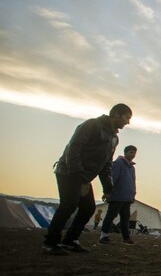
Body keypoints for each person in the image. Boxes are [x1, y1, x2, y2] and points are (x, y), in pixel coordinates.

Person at [42, 104, 132, 255]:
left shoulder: (113, 138)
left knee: (88, 208)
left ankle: (70, 241)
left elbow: (106, 164)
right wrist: (80, 179)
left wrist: (108, 188)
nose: (128, 122)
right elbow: (74, 148)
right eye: (127, 117)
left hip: (84, 177)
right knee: (69, 204)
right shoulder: (92, 125)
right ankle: (50, 242)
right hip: (68, 171)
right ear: (117, 114)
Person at [99, 145, 138, 245]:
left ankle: (126, 237)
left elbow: (133, 181)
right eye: (130, 152)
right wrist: (108, 191)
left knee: (125, 217)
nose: (132, 155)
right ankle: (103, 235)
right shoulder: (118, 163)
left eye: (134, 153)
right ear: (125, 153)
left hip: (127, 196)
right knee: (111, 215)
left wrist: (133, 193)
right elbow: (113, 177)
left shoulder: (132, 167)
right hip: (117, 195)